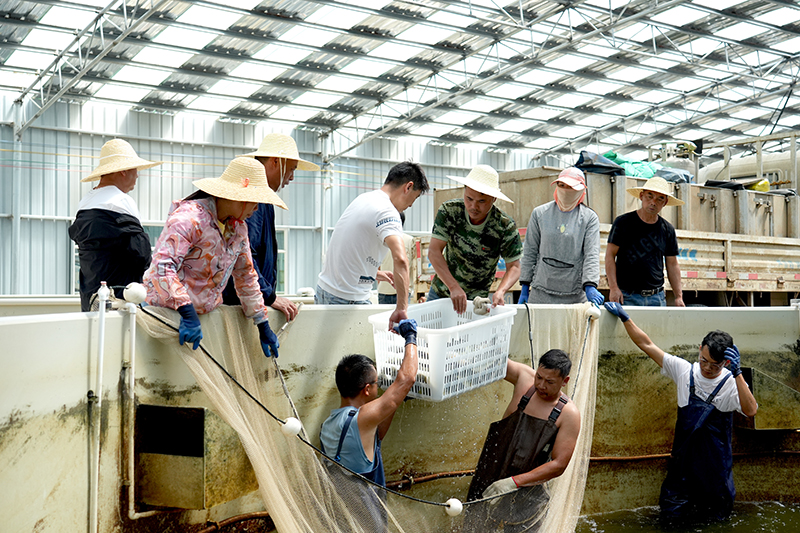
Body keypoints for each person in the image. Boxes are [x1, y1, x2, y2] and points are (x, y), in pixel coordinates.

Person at [604, 302, 758, 524]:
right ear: (699, 349)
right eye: (703, 360)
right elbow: (646, 345)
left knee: (714, 524)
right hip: (682, 470)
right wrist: (625, 318)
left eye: (714, 365)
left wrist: (737, 374)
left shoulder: (730, 383)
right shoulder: (685, 371)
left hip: (715, 475)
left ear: (725, 363)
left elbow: (751, 410)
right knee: (670, 520)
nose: (706, 367)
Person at [143, 157, 286, 358]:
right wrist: (186, 311)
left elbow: (246, 276)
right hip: (165, 316)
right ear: (239, 197)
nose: (256, 209)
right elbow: (162, 267)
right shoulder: (189, 219)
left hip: (201, 320)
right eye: (256, 202)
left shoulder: (237, 230)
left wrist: (262, 323)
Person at [464, 351, 581, 532]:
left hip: (526, 494)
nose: (541, 385)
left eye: (550, 382)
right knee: (473, 528)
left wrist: (513, 482)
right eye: (539, 377)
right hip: (490, 479)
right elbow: (487, 358)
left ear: (564, 381)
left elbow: (559, 464)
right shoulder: (524, 379)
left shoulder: (568, 414)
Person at [319, 320, 418, 528]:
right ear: (366, 389)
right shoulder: (362, 418)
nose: (378, 386)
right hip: (367, 518)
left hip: (342, 516)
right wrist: (411, 337)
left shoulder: (329, 423)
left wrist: (396, 402)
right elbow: (407, 378)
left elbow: (375, 437)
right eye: (376, 382)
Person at [315, 162, 429, 326]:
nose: (411, 205)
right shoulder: (388, 211)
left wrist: (375, 273)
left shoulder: (364, 199)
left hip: (325, 290)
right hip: (347, 299)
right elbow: (401, 259)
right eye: (415, 197)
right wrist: (402, 308)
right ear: (408, 187)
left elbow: (352, 249)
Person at [222, 133, 320, 322]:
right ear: (276, 162)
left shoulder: (263, 199)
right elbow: (244, 256)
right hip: (240, 306)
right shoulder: (251, 198)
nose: (291, 177)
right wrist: (269, 295)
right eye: (291, 169)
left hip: (248, 302)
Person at [69, 139, 161, 311]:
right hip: (121, 298)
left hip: (92, 297)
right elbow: (140, 253)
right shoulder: (121, 201)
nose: (137, 175)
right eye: (135, 169)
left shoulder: (85, 203)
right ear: (123, 171)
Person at [428, 164, 523, 314]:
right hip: (441, 293)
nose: (473, 206)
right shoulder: (450, 212)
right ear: (464, 191)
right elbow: (434, 252)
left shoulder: (504, 226)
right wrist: (453, 286)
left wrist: (500, 291)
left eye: (481, 201)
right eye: (469, 198)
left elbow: (515, 267)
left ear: (493, 199)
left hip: (476, 302)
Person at [518, 167, 603, 305]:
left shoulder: (589, 218)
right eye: (561, 185)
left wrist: (590, 285)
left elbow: (591, 254)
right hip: (541, 293)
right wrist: (525, 286)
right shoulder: (540, 214)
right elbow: (530, 251)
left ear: (581, 189)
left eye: (570, 187)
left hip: (574, 295)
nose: (565, 190)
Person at [605, 177, 685, 307]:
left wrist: (679, 296)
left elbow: (672, 264)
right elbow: (610, 255)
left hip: (656, 297)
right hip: (626, 296)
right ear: (641, 196)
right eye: (650, 196)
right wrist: (613, 288)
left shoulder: (667, 229)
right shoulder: (623, 223)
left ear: (665, 202)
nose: (653, 202)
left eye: (660, 199)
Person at [377, 212, 417, 305]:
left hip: (397, 291)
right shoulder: (381, 240)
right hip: (386, 291)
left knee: (385, 319)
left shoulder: (410, 240)